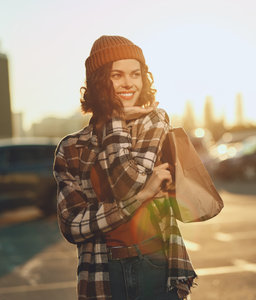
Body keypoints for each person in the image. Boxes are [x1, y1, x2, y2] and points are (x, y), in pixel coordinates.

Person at [53, 36, 197, 300]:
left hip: (156, 264)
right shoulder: (70, 148)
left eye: (136, 74)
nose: (129, 83)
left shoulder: (153, 121)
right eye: (117, 75)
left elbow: (125, 183)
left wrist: (115, 117)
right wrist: (141, 196)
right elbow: (72, 226)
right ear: (98, 82)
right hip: (102, 272)